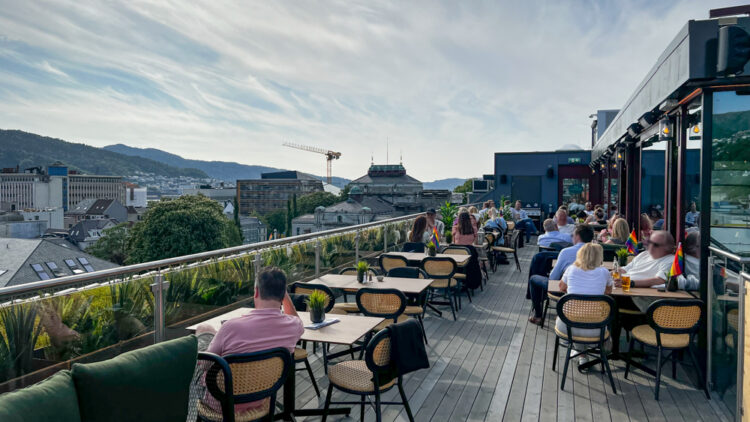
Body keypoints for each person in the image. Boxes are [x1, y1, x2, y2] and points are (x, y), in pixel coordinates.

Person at [197, 267, 304, 414]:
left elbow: (203, 365)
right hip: (261, 399)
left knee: (204, 330)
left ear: (256, 292)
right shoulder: (293, 326)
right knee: (212, 333)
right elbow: (297, 320)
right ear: (282, 294)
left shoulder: (231, 327)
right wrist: (283, 295)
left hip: (221, 404)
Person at [528, 225, 594, 325]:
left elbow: (553, 278)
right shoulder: (596, 252)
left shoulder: (566, 252)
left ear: (577, 236)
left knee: (534, 279)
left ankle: (538, 315)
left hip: (566, 292)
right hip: (591, 294)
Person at [556, 243, 613, 337]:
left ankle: (577, 350)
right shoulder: (604, 272)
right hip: (596, 328)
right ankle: (583, 350)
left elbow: (561, 287)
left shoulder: (571, 269)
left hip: (568, 325)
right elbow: (608, 292)